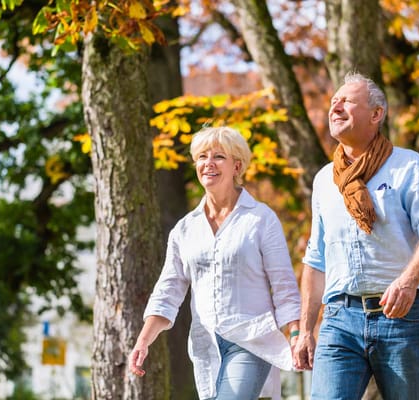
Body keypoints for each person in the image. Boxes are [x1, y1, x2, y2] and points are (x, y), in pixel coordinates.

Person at [293, 72, 419, 400]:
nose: (335, 106)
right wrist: (306, 330)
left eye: (347, 101)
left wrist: (408, 281)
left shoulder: (408, 166)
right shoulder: (324, 180)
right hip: (339, 319)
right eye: (333, 101)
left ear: (376, 114)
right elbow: (316, 257)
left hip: (401, 317)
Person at [128, 126, 301, 400]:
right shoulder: (185, 229)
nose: (208, 163)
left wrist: (296, 335)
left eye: (219, 156)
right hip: (206, 345)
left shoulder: (260, 219)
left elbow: (284, 285)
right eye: (202, 157)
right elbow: (168, 290)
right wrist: (143, 340)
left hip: (250, 341)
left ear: (237, 166)